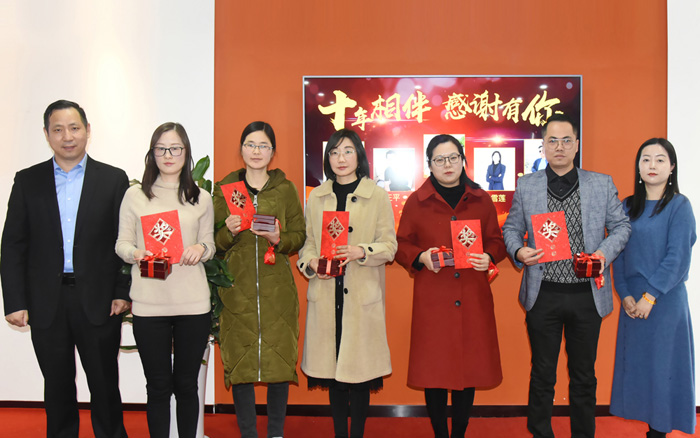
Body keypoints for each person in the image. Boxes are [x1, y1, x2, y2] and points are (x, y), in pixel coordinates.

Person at [1, 100, 129, 438]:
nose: (67, 136)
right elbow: (13, 244)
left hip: (100, 301)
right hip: (47, 301)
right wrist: (14, 301)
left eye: (74, 128)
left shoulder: (113, 179)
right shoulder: (28, 180)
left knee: (104, 383)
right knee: (56, 386)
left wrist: (122, 292)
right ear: (47, 135)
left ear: (88, 131)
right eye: (58, 129)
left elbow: (125, 240)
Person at [502, 113, 631, 438]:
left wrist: (602, 254)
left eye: (566, 140)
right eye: (552, 141)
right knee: (542, 373)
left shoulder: (600, 183)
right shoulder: (527, 185)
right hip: (543, 293)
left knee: (584, 375)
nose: (559, 147)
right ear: (543, 146)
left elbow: (621, 226)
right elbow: (511, 228)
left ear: (576, 145)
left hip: (587, 295)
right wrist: (518, 251)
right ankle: (540, 432)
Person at [395, 134, 507, 438]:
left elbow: (496, 241)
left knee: (467, 370)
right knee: (434, 372)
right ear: (429, 164)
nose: (447, 164)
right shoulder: (417, 202)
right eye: (440, 159)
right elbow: (401, 244)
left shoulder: (481, 199)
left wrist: (489, 256)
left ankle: (458, 433)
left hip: (472, 294)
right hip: (434, 296)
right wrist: (420, 257)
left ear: (463, 160)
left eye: (453, 158)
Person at [115, 122, 214, 438]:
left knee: (186, 385)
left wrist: (201, 249)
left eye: (175, 148)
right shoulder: (135, 196)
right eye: (161, 149)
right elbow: (121, 244)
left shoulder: (201, 197)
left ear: (186, 153)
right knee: (157, 386)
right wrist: (136, 253)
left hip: (193, 304)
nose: (168, 155)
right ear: (152, 154)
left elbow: (210, 244)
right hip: (149, 304)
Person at [297, 129, 397, 438]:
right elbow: (308, 244)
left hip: (360, 296)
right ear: (327, 158)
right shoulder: (317, 197)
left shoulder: (376, 196)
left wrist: (361, 251)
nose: (341, 158)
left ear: (359, 157)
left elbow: (389, 247)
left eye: (348, 151)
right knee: (334, 374)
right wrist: (311, 263)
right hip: (327, 293)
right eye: (334, 152)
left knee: (360, 375)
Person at [213, 121, 306, 438]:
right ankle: (249, 433)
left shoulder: (285, 189)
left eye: (263, 145)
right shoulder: (225, 189)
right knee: (241, 362)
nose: (256, 151)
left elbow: (299, 235)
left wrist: (280, 238)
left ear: (272, 152)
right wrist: (228, 231)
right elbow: (213, 243)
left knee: (279, 361)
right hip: (236, 290)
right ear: (241, 149)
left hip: (277, 290)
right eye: (250, 145)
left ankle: (276, 432)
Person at [610, 138, 696, 437]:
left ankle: (658, 433)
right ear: (638, 166)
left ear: (671, 167)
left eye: (660, 160)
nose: (652, 165)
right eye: (646, 159)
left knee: (663, 371)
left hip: (665, 303)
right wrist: (625, 294)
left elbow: (677, 258)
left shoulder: (679, 206)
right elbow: (618, 254)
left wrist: (650, 296)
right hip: (633, 304)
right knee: (640, 371)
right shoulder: (626, 206)